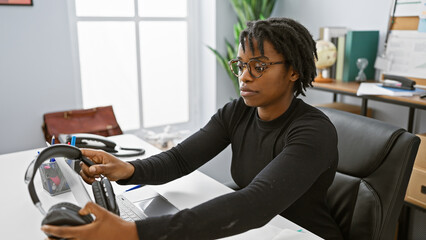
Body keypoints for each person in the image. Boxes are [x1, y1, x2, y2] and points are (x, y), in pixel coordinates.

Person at [42, 17, 343, 240]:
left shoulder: (313, 132)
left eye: (259, 66)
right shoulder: (238, 112)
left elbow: (256, 203)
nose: (245, 77)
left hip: (302, 234)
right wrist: (128, 170)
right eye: (241, 65)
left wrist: (133, 232)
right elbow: (180, 159)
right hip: (258, 231)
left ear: (293, 71)